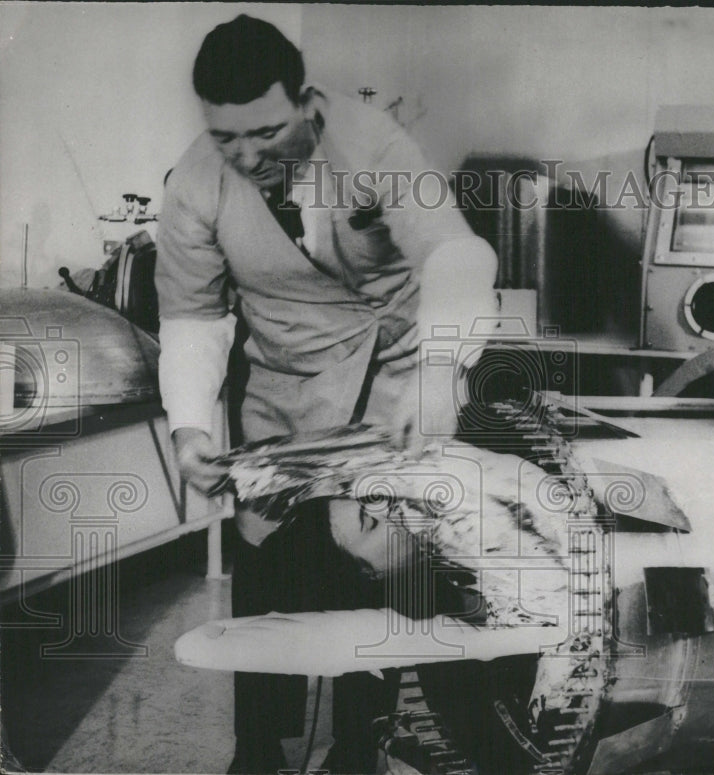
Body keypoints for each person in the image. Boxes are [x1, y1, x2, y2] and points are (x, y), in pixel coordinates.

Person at [154, 14, 498, 774]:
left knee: (374, 556)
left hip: (398, 373)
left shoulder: (372, 142)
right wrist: (188, 430)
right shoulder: (194, 186)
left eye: (266, 131)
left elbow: (457, 254)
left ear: (305, 100)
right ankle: (258, 750)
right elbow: (192, 318)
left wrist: (441, 368)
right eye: (227, 138)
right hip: (283, 383)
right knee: (266, 558)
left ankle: (359, 745)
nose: (248, 155)